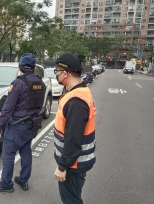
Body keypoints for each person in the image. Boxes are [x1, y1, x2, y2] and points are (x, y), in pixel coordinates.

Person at [0, 53, 46, 193]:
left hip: (17, 125)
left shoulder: (18, 83)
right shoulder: (41, 84)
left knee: (8, 153)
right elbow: (40, 106)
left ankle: (6, 184)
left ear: (20, 66)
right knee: (26, 150)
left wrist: (0, 126)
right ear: (34, 68)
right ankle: (23, 180)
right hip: (32, 125)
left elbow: (7, 109)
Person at [53, 52, 96, 203]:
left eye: (57, 71)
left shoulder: (76, 100)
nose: (55, 74)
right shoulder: (78, 92)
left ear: (65, 73)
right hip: (75, 162)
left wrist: (62, 167)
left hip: (73, 165)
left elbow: (73, 138)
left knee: (71, 200)